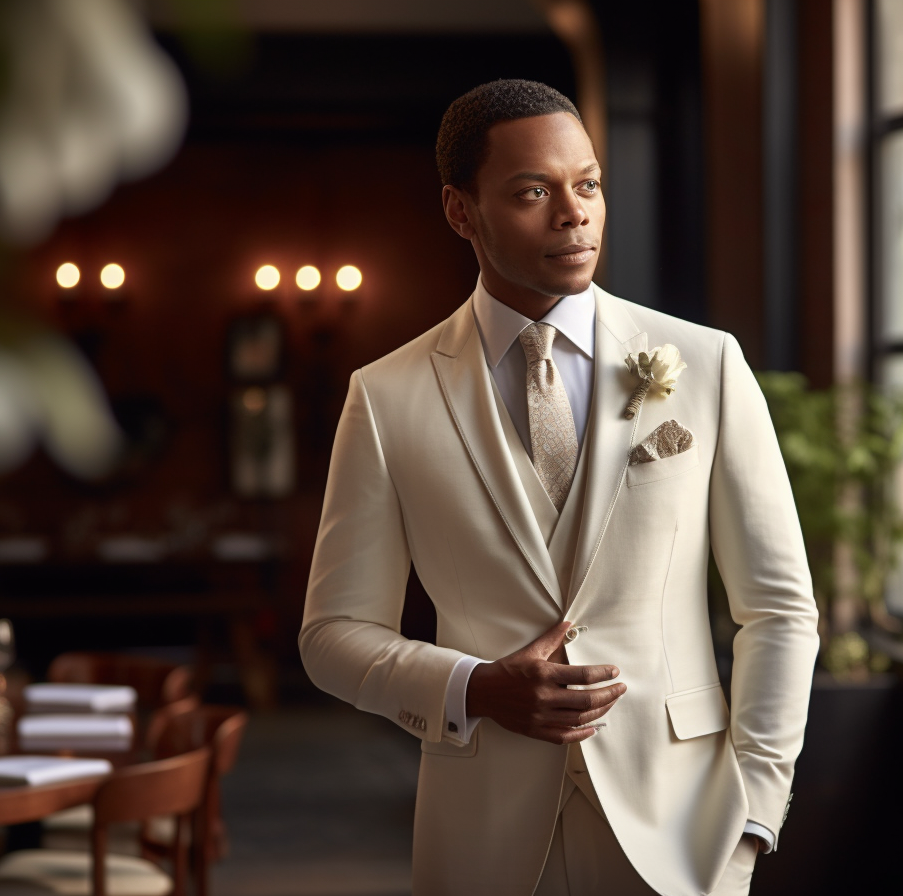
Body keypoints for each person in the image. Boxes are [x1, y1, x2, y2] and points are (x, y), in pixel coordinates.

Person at [299, 79, 818, 896]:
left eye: (589, 185)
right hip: (483, 842)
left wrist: (753, 813)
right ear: (459, 211)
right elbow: (332, 634)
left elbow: (780, 609)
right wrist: (472, 687)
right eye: (533, 192)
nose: (574, 214)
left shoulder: (707, 364)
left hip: (685, 836)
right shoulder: (387, 395)